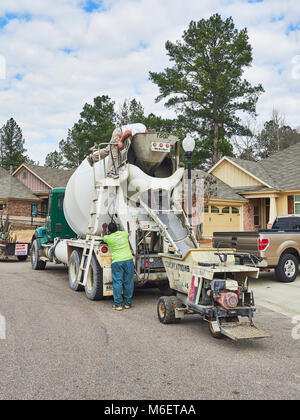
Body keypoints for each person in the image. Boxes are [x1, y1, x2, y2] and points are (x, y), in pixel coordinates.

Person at [103, 222, 135, 311]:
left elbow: (104, 236)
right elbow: (128, 231)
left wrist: (104, 228)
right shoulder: (124, 234)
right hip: (128, 260)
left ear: (109, 230)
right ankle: (128, 304)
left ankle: (118, 305)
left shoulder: (109, 238)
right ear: (117, 228)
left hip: (117, 262)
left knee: (118, 282)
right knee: (128, 282)